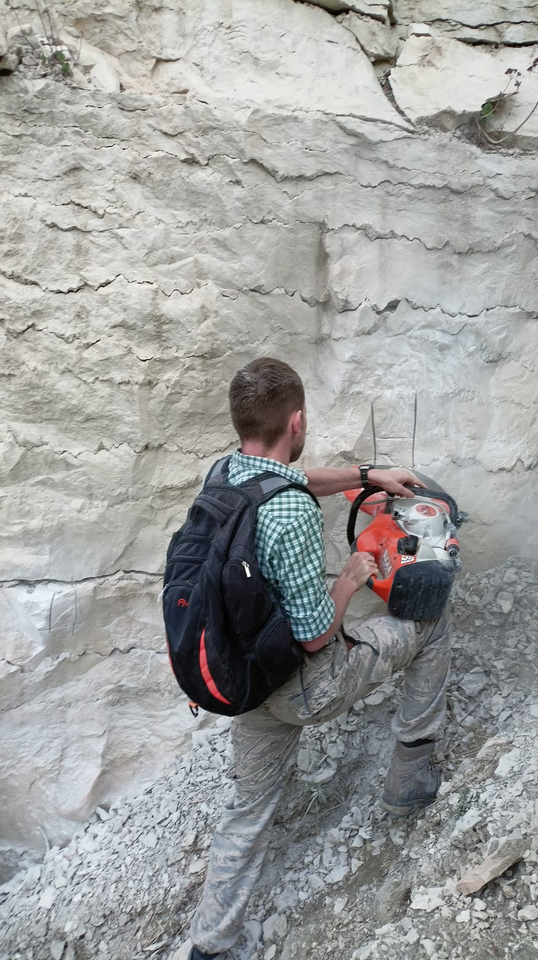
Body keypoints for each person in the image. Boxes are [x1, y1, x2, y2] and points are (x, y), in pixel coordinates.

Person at [187, 358, 451, 960]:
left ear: (241, 421)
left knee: (248, 810)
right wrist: (351, 577)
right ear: (298, 421)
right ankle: (409, 780)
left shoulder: (224, 475)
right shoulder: (294, 514)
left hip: (248, 683)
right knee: (432, 621)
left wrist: (366, 476)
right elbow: (313, 636)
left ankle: (210, 945)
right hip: (310, 685)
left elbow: (293, 480)